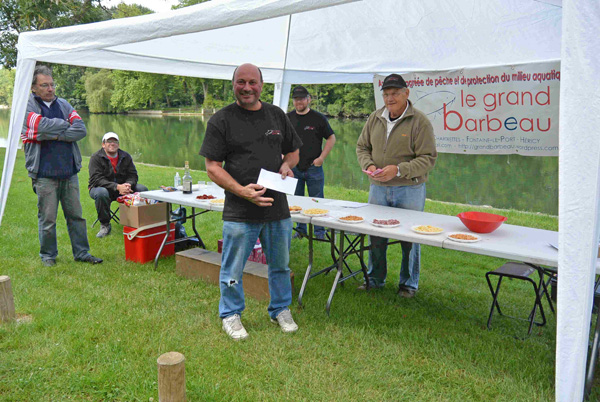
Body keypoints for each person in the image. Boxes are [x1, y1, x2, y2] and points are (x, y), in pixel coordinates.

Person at [200, 63, 303, 340]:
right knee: (233, 268)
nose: (247, 88)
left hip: (277, 209)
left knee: (280, 265)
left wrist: (286, 164)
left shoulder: (276, 115)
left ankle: (280, 308)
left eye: (253, 82)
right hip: (240, 212)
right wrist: (242, 191)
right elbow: (212, 166)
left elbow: (293, 152)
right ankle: (231, 313)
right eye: (241, 82)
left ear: (261, 85)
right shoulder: (221, 120)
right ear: (233, 84)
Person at [356, 73, 437, 298]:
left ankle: (409, 284)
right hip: (378, 188)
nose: (390, 99)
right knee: (376, 234)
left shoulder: (420, 121)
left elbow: (428, 158)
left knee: (410, 237)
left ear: (406, 94)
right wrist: (370, 165)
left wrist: (399, 169)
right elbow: (362, 147)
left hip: (409, 189)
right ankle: (374, 278)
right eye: (386, 94)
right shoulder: (375, 118)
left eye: (395, 94)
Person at [21, 65, 102, 267]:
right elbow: (38, 126)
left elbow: (81, 130)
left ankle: (82, 253)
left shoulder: (64, 104)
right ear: (33, 88)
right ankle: (48, 256)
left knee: (76, 216)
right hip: (44, 174)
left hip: (69, 172)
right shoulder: (27, 106)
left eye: (52, 84)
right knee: (47, 220)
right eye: (44, 85)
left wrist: (53, 133)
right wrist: (63, 126)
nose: (50, 89)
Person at [287, 85, 336, 240]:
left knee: (317, 200)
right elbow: (282, 140)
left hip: (314, 167)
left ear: (308, 99)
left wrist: (321, 158)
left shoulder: (318, 118)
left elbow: (331, 138)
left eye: (302, 98)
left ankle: (320, 231)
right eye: (296, 99)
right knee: (297, 201)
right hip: (294, 168)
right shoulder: (287, 118)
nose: (299, 102)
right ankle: (301, 230)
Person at [88, 132, 148, 238]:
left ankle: (140, 223)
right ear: (103, 144)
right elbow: (96, 179)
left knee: (142, 189)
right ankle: (105, 225)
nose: (112, 144)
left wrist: (128, 184)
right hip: (100, 188)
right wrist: (117, 187)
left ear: (118, 144)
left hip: (123, 189)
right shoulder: (96, 157)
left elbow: (133, 175)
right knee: (101, 193)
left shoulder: (125, 156)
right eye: (109, 141)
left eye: (115, 141)